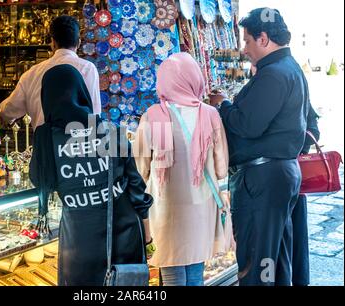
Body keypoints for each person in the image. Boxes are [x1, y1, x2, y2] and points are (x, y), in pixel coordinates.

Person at [209, 8, 310, 286]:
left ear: (263, 38)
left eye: (247, 41)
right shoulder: (287, 69)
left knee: (257, 261)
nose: (244, 49)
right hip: (277, 176)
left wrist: (222, 106)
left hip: (264, 179)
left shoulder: (274, 74)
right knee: (274, 259)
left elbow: (247, 124)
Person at [29, 64, 153, 285]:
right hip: (124, 238)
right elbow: (137, 190)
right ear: (82, 93)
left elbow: (40, 180)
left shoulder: (46, 139)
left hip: (78, 246)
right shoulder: (112, 131)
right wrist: (148, 237)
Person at [133, 53, 229, 286]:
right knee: (195, 270)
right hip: (201, 205)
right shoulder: (210, 114)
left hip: (166, 208)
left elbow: (140, 168)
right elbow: (221, 165)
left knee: (172, 272)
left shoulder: (155, 116)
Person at [0, 15, 101, 131]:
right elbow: (95, 114)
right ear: (79, 42)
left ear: (53, 42)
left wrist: (0, 109)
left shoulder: (32, 73)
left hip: (45, 146)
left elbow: (9, 111)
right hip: (78, 146)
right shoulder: (88, 69)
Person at [292, 105, 320, 286]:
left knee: (297, 231)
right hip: (291, 173)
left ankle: (299, 279)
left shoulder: (302, 99)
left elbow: (314, 133)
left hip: (295, 175)